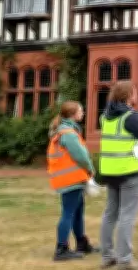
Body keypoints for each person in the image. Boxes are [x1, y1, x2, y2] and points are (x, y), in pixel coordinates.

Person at [99, 81, 138, 270]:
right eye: (135, 92)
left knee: (110, 214)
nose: (137, 96)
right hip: (130, 171)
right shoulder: (131, 117)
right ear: (128, 96)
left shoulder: (105, 117)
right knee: (127, 215)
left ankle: (107, 255)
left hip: (110, 171)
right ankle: (125, 260)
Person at [47, 100, 98, 261]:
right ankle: (61, 249)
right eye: (81, 110)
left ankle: (81, 242)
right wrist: (90, 168)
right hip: (71, 180)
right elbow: (80, 155)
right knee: (68, 213)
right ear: (73, 114)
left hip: (70, 179)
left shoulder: (65, 131)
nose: (83, 113)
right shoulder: (68, 133)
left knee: (77, 211)